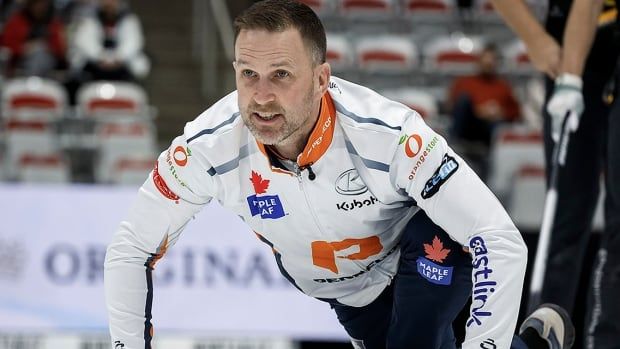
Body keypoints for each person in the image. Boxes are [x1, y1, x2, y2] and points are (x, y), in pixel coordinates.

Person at [103, 1, 573, 348]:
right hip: (348, 294)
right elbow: (129, 250)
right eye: (248, 74)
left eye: (281, 75)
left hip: (422, 241)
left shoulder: (389, 134)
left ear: (323, 78)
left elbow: (497, 236)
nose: (261, 96)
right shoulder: (205, 148)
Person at [490, 0, 620, 347]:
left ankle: (606, 338)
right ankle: (541, 333)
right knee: (566, 209)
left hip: (593, 49)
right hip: (570, 48)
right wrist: (537, 41)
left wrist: (570, 77)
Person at [448, 43, 521, 179]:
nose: (488, 64)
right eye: (485, 60)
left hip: (489, 128)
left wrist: (500, 112)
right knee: (464, 100)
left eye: (491, 60)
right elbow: (452, 106)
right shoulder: (465, 82)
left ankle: (488, 154)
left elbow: (515, 113)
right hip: (468, 123)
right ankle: (457, 142)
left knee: (497, 127)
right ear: (479, 61)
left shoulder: (503, 86)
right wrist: (478, 110)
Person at [69, 0, 149, 82]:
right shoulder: (90, 19)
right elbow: (84, 41)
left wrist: (118, 58)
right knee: (77, 60)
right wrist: (101, 57)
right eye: (106, 2)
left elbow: (134, 41)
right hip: (94, 66)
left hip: (122, 65)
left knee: (139, 63)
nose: (109, 4)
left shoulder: (129, 20)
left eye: (112, 2)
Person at [0, 0, 66, 77]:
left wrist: (44, 47)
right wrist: (25, 48)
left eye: (44, 4)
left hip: (47, 62)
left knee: (40, 56)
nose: (41, 7)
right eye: (37, 4)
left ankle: (34, 82)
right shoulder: (18, 20)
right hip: (20, 61)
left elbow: (60, 49)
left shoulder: (53, 23)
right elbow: (6, 44)